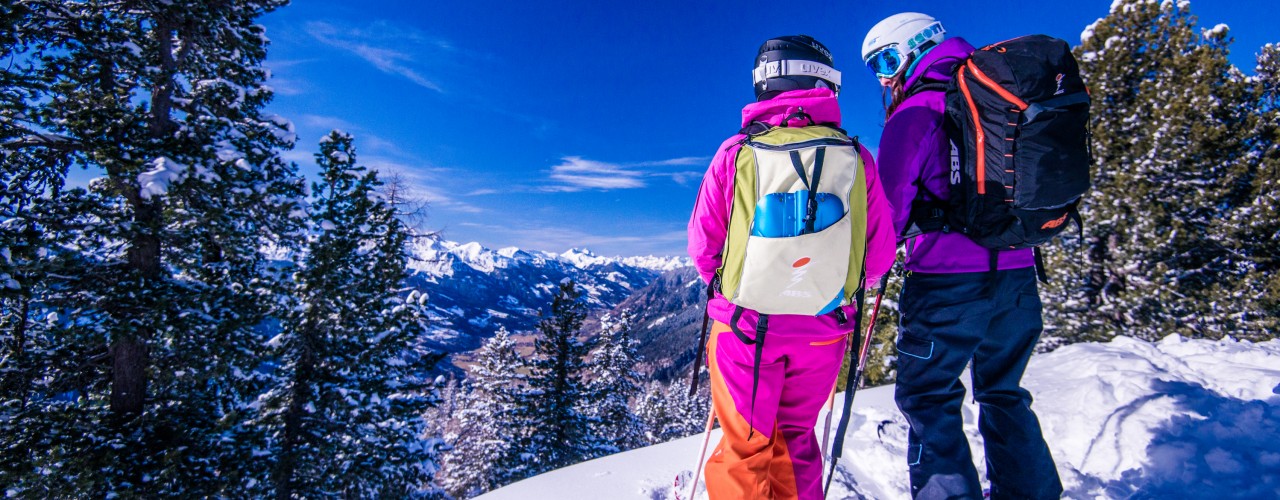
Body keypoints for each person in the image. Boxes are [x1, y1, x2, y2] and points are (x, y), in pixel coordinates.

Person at [861, 13, 1064, 499]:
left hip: (946, 283)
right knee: (1003, 391)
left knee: (929, 398)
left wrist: (867, 268)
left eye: (887, 60)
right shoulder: (1002, 97)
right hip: (1017, 275)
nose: (885, 77)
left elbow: (886, 212)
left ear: (915, 47)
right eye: (875, 67)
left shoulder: (915, 112)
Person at [687, 34, 895, 500]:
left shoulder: (736, 153)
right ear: (824, 83)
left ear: (765, 82)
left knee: (745, 447)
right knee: (796, 438)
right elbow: (879, 257)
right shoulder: (858, 158)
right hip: (823, 328)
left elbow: (704, 249)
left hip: (746, 330)